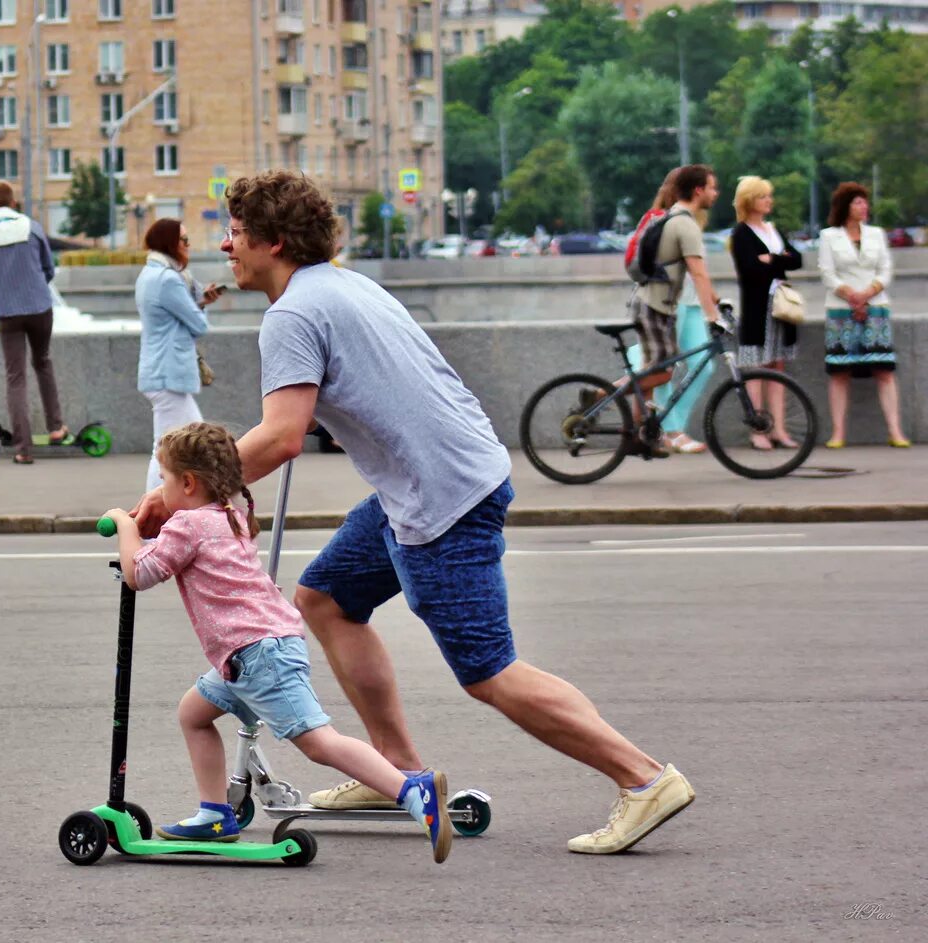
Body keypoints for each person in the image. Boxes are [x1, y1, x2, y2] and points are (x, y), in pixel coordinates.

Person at [131, 171, 696, 855]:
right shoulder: (345, 284)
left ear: (273, 241)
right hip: (442, 476)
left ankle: (641, 777)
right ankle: (395, 767)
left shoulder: (292, 314)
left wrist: (174, 498)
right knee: (327, 597)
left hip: (440, 497)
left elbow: (281, 434)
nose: (227, 244)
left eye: (238, 233)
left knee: (489, 669)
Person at [104, 421, 452, 863]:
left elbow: (140, 573)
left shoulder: (189, 525)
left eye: (165, 480)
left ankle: (410, 788)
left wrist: (123, 522)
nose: (160, 490)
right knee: (194, 713)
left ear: (188, 483)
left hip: (257, 654)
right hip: (248, 653)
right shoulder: (226, 514)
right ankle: (214, 813)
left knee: (317, 742)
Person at [627, 164, 727, 457]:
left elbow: (700, 273)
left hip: (692, 301)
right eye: (711, 187)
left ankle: (666, 427)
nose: (715, 193)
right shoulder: (672, 221)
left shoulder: (688, 221)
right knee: (661, 369)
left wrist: (716, 302)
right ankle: (669, 430)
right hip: (671, 303)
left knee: (700, 365)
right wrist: (714, 316)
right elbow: (696, 272)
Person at [0, 180, 68, 465]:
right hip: (40, 309)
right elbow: (48, 270)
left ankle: (23, 449)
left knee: (16, 377)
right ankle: (56, 428)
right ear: (13, 202)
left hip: (8, 314)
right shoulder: (32, 227)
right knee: (43, 362)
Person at [818, 182, 909, 448]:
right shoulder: (828, 236)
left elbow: (885, 269)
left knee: (884, 370)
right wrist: (851, 296)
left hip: (876, 307)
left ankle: (895, 431)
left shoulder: (877, 234)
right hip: (840, 309)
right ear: (845, 206)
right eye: (858, 202)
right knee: (839, 372)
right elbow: (827, 272)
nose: (864, 207)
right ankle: (838, 433)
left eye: (865, 202)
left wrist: (867, 293)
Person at [135, 218, 224, 492]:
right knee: (167, 448)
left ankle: (161, 513)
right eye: (184, 241)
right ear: (171, 244)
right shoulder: (168, 280)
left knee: (172, 444)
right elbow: (198, 324)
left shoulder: (150, 274)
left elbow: (175, 318)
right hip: (168, 373)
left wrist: (199, 302)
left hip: (159, 371)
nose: (188, 246)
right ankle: (154, 514)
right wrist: (202, 306)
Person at [729, 176, 804, 450]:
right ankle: (758, 429)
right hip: (758, 308)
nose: (768, 201)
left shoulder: (774, 230)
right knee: (758, 367)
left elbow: (796, 259)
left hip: (781, 307)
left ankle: (779, 429)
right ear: (749, 201)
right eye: (763, 196)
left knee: (778, 366)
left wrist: (772, 259)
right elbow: (750, 269)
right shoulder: (741, 234)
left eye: (768, 196)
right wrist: (779, 260)